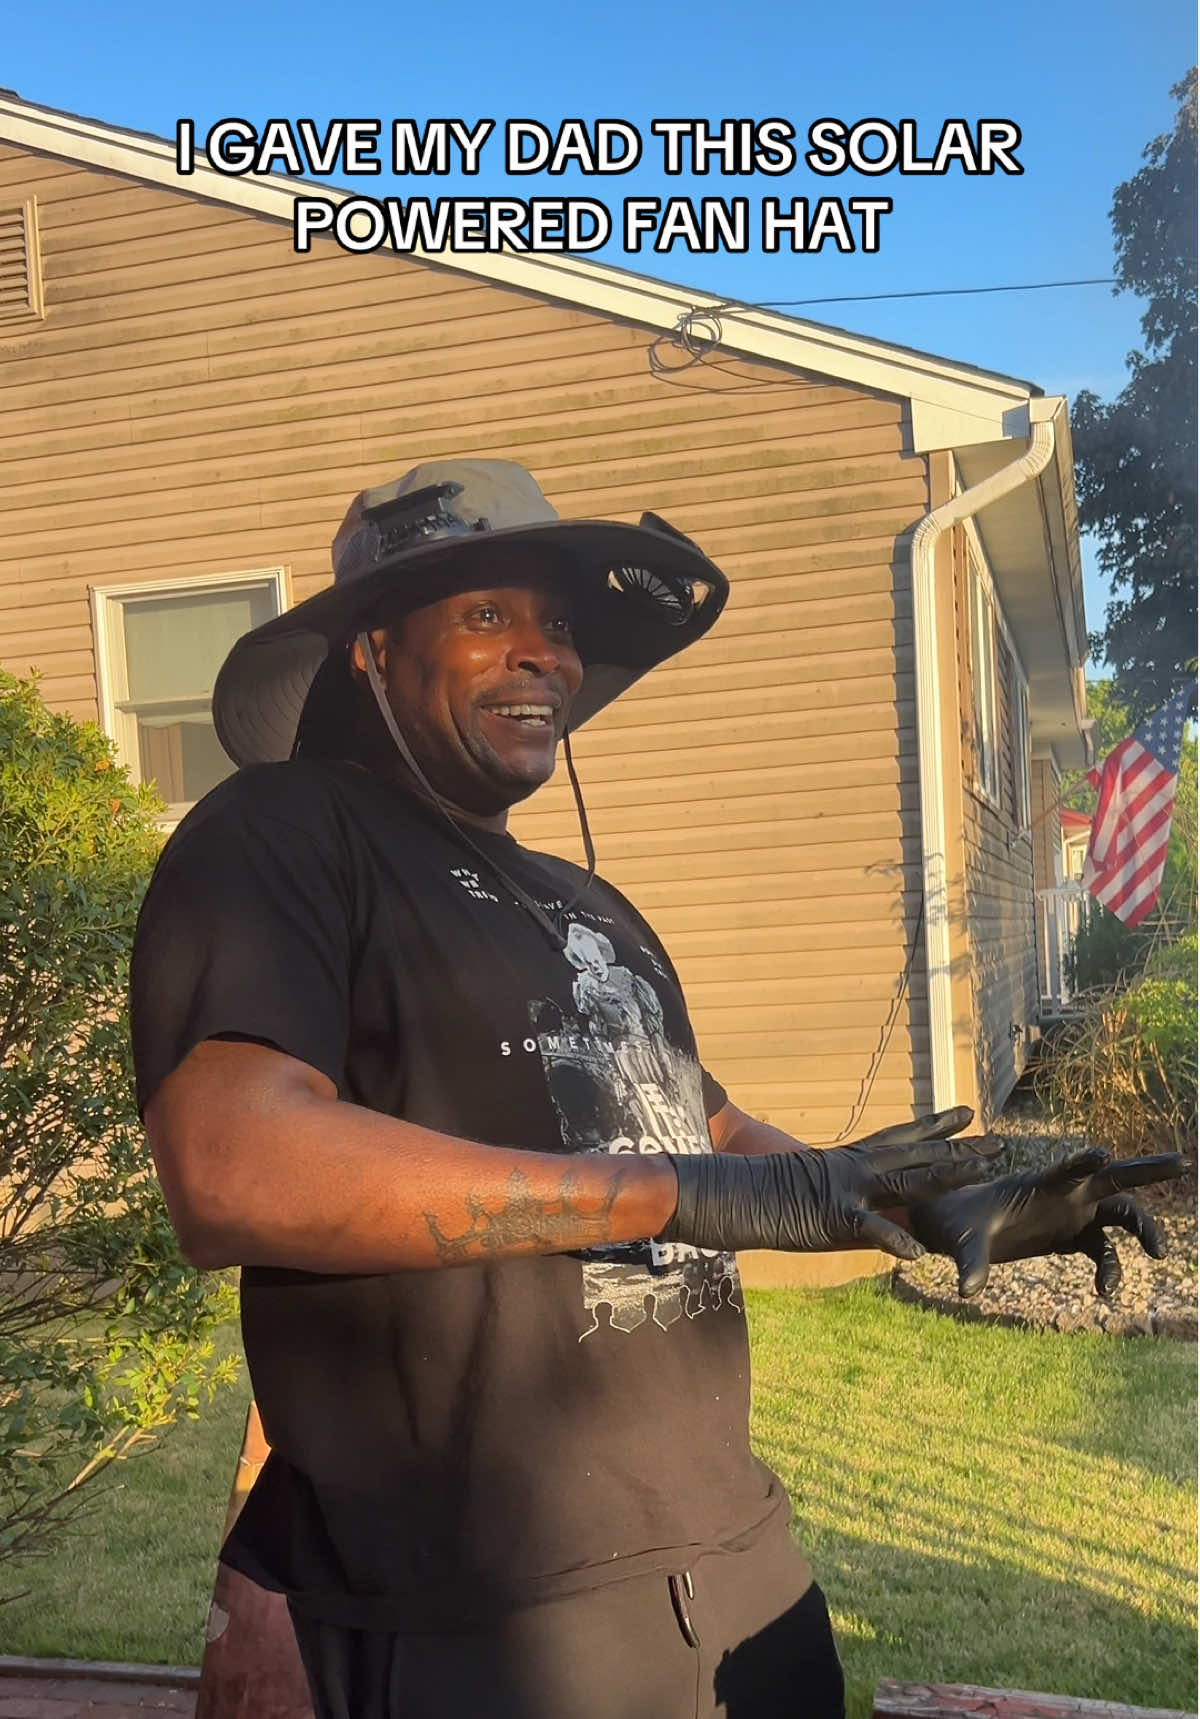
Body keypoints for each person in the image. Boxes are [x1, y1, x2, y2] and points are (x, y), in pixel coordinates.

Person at [130, 460, 1183, 1719]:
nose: (544, 657)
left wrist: (940, 1203)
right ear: (371, 650)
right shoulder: (282, 836)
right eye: (487, 617)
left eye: (562, 628)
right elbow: (237, 1167)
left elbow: (718, 1137)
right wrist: (678, 1192)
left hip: (743, 1568)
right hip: (494, 1622)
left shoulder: (591, 907)